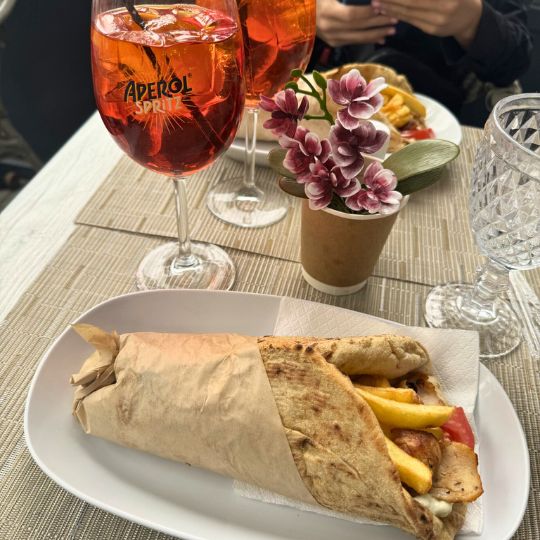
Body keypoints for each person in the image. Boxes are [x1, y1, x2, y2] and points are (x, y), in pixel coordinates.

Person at [308, 0, 533, 123]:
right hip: (312, 102)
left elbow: (516, 57)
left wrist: (473, 21)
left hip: (431, 124)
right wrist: (303, 12)